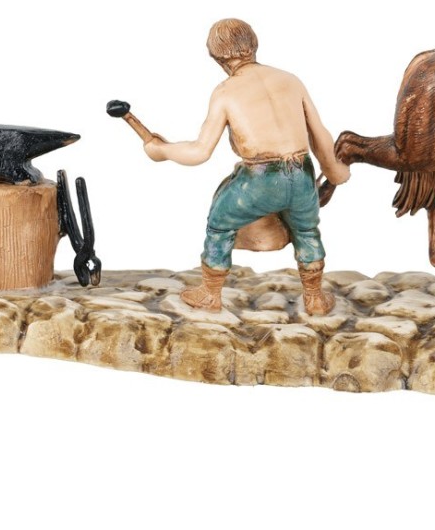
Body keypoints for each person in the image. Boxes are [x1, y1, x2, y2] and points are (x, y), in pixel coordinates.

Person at [144, 18, 351, 314]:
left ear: (216, 56)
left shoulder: (225, 92)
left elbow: (200, 151)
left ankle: (210, 293)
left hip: (259, 180)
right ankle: (315, 297)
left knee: (220, 223)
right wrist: (334, 171)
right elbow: (319, 136)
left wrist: (161, 150)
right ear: (253, 45)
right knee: (307, 231)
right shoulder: (290, 80)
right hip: (301, 174)